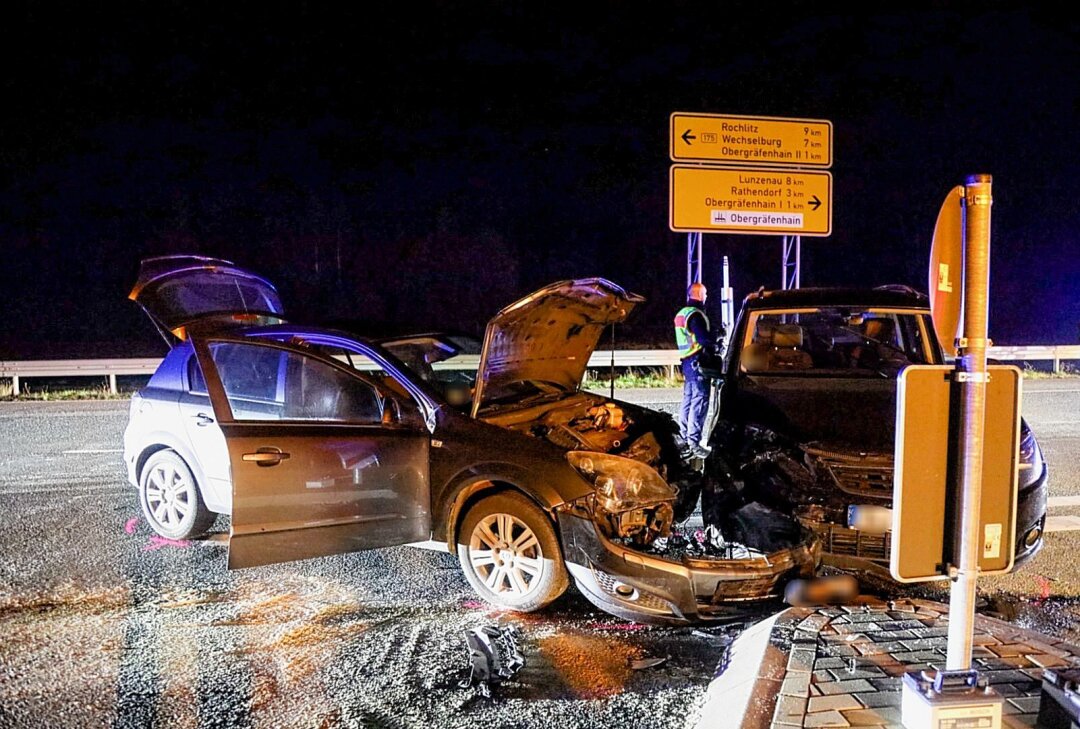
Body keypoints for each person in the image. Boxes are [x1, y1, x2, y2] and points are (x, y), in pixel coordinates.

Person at [673, 282, 714, 458]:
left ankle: (684, 439)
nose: (706, 297)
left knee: (688, 400)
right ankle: (694, 443)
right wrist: (716, 338)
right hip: (698, 361)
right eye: (705, 294)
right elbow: (704, 339)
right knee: (700, 401)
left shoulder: (681, 313)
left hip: (687, 362)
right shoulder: (695, 315)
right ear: (698, 294)